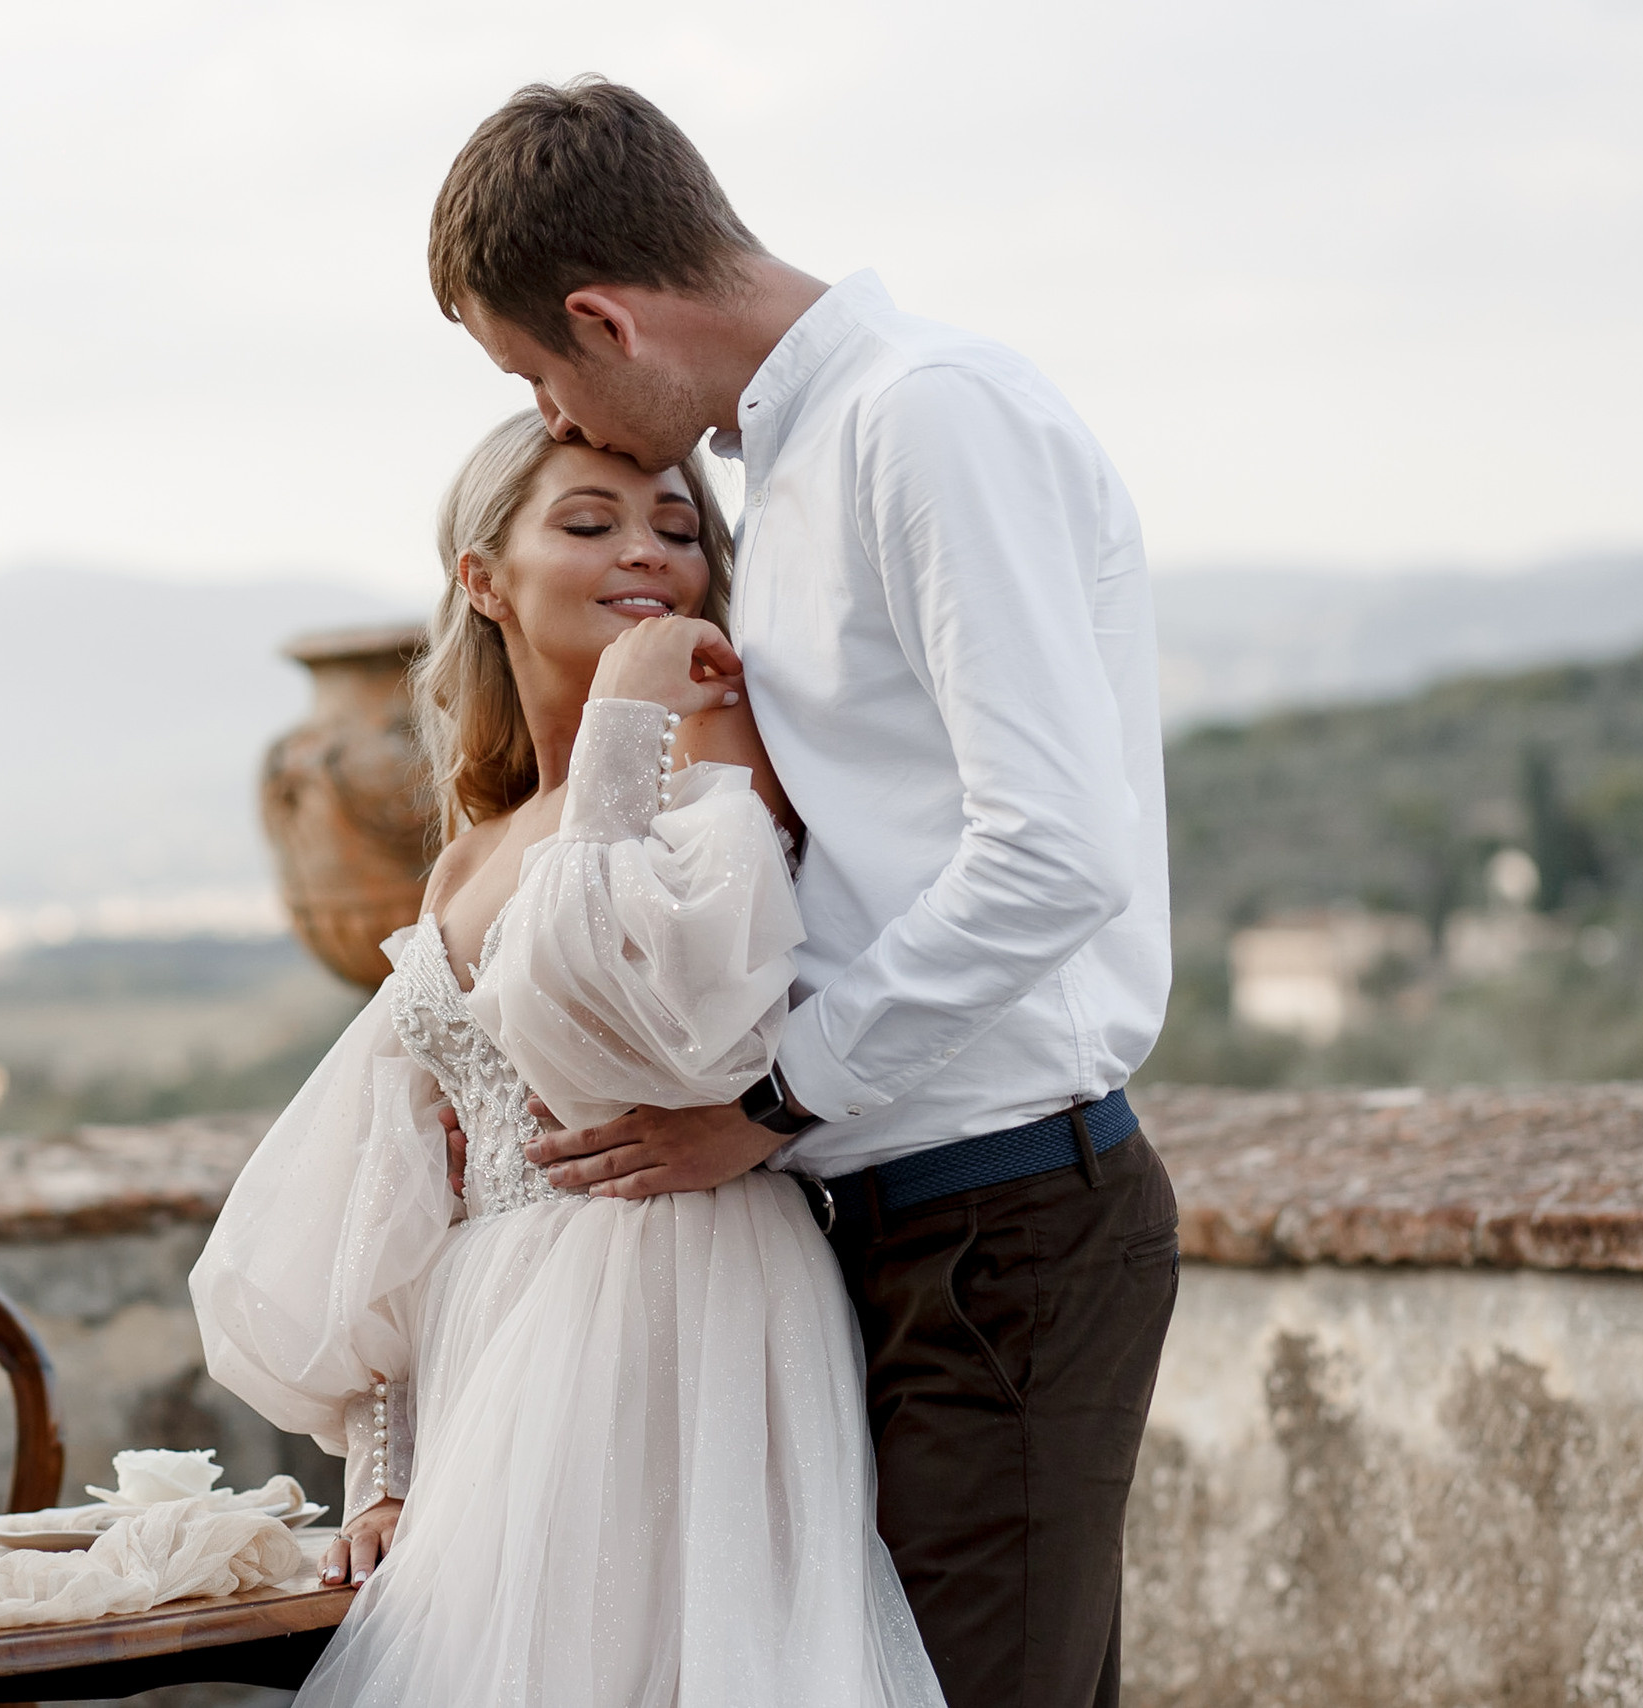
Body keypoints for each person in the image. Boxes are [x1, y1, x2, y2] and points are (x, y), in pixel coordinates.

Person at [427, 79, 1179, 1707]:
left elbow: (1057, 852)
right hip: (885, 1225)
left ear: (601, 318)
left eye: (538, 373)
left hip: (1005, 1221)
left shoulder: (931, 418)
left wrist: (770, 1105)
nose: (561, 416)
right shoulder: (801, 462)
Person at [191, 413, 944, 1708]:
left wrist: (630, 722)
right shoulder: (471, 850)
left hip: (679, 1296)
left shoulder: (717, 754)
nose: (648, 554)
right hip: (493, 1344)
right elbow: (401, 1183)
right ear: (484, 578)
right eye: (590, 523)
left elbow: (664, 1022)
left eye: (678, 526)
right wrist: (384, 1469)